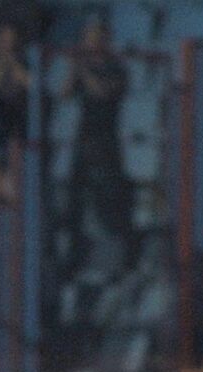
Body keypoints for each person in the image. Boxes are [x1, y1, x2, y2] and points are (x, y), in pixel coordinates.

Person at [60, 15, 131, 261]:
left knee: (110, 193)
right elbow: (66, 93)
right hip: (84, 136)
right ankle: (76, 246)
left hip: (107, 137)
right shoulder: (83, 66)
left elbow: (102, 92)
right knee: (75, 193)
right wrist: (74, 70)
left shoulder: (116, 67)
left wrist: (83, 69)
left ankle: (118, 245)